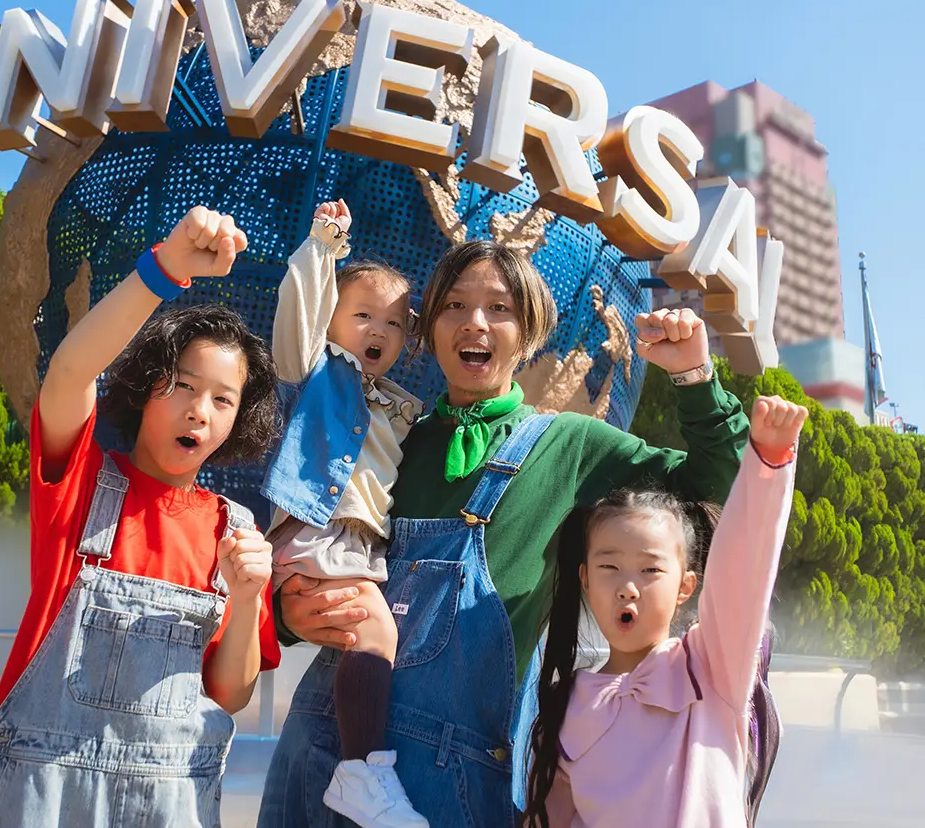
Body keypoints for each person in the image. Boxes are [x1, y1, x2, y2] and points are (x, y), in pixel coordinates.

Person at [259, 239, 751, 827]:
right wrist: (287, 611)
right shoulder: (389, 436)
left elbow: (722, 477)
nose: (476, 323)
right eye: (455, 306)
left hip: (453, 783)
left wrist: (694, 374)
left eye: (500, 308)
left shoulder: (572, 446)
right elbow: (307, 542)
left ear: (531, 332)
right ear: (430, 329)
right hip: (324, 751)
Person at [0, 207, 282, 828]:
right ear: (144, 385)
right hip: (38, 799)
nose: (199, 412)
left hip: (170, 806)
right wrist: (166, 270)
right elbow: (72, 370)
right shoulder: (78, 484)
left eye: (222, 400)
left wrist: (245, 598)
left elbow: (230, 695)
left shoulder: (236, 532)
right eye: (182, 385)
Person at [524, 395, 805, 828]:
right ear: (584, 578)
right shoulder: (564, 711)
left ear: (685, 586)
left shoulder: (711, 670)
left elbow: (741, 577)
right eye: (609, 567)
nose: (627, 587)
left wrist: (765, 465)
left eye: (651, 569)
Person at [261, 200, 427, 828]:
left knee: (363, 638)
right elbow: (294, 333)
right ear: (332, 321)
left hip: (359, 546)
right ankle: (363, 775)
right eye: (360, 316)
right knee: (376, 635)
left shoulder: (400, 408)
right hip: (318, 529)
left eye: (392, 323)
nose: (376, 330)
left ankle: (358, 768)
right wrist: (320, 250)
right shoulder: (319, 372)